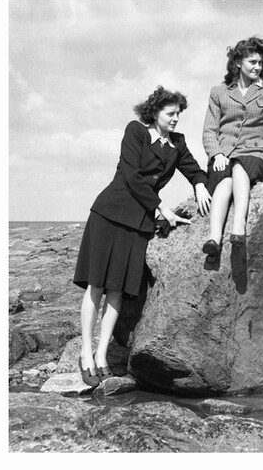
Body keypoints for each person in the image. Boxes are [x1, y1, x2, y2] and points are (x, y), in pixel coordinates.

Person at [72, 86, 211, 387]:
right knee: (97, 285)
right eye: (170, 114)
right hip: (110, 213)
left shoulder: (178, 143)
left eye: (178, 114)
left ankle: (101, 356)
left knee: (118, 290)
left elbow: (194, 169)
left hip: (138, 223)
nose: (175, 119)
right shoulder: (135, 131)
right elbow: (132, 176)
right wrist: (161, 207)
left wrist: (200, 184)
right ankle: (84, 353)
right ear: (154, 113)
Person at [201, 36, 263, 290]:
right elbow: (208, 131)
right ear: (238, 62)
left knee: (239, 168)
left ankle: (238, 231)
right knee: (224, 180)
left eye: (260, 62)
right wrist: (217, 154)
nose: (257, 66)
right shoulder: (219, 92)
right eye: (252, 61)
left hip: (254, 155)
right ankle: (214, 239)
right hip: (223, 156)